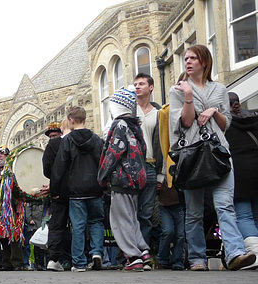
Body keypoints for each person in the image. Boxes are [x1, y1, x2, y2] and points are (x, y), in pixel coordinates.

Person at [169, 44, 255, 271]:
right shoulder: (177, 89)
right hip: (193, 154)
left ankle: (235, 253)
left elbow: (226, 123)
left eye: (193, 58)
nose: (187, 62)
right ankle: (197, 258)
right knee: (195, 211)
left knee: (225, 205)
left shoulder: (219, 89)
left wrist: (214, 111)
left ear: (204, 62)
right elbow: (185, 123)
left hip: (219, 152)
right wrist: (188, 95)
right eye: (186, 58)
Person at [98, 87, 149, 272]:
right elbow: (143, 151)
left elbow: (113, 152)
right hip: (136, 179)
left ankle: (133, 257)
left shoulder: (119, 125)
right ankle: (143, 251)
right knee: (132, 218)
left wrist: (102, 176)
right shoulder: (136, 125)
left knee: (120, 220)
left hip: (121, 179)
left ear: (116, 106)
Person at [51, 106, 104, 272]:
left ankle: (79, 263)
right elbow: (103, 163)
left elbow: (59, 167)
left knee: (78, 225)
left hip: (76, 190)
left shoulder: (67, 140)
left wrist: (55, 189)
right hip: (95, 188)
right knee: (96, 222)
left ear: (71, 120)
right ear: (85, 119)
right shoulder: (96, 139)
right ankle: (96, 252)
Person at [0, 146, 37, 271]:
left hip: (13, 207)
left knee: (14, 233)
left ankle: (17, 262)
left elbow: (22, 186)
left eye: (2, 154)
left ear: (7, 156)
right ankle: (6, 263)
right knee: (2, 234)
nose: (0, 156)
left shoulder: (13, 170)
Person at [134, 73, 164, 267]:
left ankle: (144, 253)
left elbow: (163, 144)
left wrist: (161, 174)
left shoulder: (159, 112)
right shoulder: (128, 110)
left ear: (151, 87)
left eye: (142, 84)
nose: (137, 87)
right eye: (135, 84)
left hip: (151, 165)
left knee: (145, 214)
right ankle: (129, 255)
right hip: (132, 167)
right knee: (130, 213)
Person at [224, 96, 258, 268]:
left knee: (244, 216)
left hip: (240, 174)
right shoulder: (254, 118)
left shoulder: (226, 125)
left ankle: (255, 254)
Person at [42, 119, 72, 271]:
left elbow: (46, 169)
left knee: (59, 225)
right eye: (50, 136)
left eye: (55, 135)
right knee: (69, 225)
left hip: (60, 190)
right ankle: (79, 258)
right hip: (73, 189)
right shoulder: (73, 142)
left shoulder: (52, 146)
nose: (52, 138)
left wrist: (53, 183)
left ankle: (55, 259)